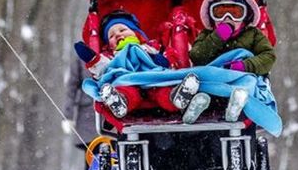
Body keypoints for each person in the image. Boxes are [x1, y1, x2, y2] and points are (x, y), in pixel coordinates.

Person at [74, 10, 206, 122]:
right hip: (128, 81)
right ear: (109, 44)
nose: (118, 35)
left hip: (154, 80)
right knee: (128, 92)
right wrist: (92, 58)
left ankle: (177, 97)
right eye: (112, 36)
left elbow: (169, 57)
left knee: (163, 92)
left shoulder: (151, 47)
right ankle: (119, 101)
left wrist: (160, 59)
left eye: (122, 30)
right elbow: (104, 68)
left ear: (136, 32)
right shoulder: (112, 55)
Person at [189, 0, 275, 122]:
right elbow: (197, 56)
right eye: (220, 12)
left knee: (250, 82)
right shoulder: (207, 35)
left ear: (245, 16)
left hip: (239, 77)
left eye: (235, 13)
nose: (226, 18)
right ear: (212, 16)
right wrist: (217, 37)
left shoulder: (253, 35)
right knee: (199, 79)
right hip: (215, 78)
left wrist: (245, 66)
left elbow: (269, 56)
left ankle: (236, 105)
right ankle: (197, 105)